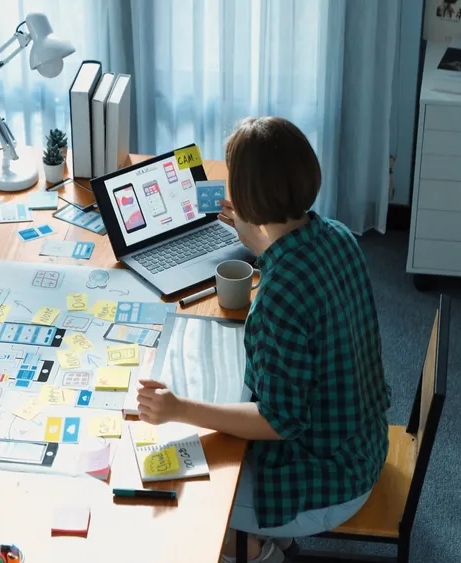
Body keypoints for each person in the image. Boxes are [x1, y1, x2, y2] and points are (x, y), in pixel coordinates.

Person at [137, 117, 391, 563]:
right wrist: (253, 232)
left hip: (329, 479)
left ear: (248, 198)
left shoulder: (279, 297)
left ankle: (259, 550)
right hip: (362, 441)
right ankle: (270, 538)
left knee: (182, 495)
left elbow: (279, 422)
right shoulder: (337, 234)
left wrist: (179, 408)